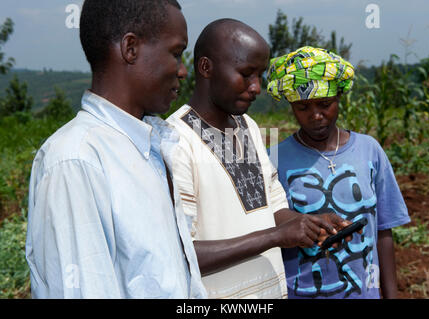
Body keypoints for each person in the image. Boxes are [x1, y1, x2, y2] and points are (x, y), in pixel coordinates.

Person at [25, 0, 207, 299]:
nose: (183, 70)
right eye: (176, 53)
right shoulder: (76, 161)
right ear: (130, 48)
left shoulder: (148, 147)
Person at [167, 19, 352, 299]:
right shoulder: (175, 140)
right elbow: (180, 254)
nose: (256, 87)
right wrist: (276, 237)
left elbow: (274, 209)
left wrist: (310, 225)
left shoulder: (249, 127)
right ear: (206, 68)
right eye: (246, 74)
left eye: (261, 75)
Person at [267, 46, 411, 299]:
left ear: (339, 98)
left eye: (325, 104)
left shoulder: (369, 150)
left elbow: (383, 231)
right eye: (303, 107)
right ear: (290, 106)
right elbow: (267, 231)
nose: (316, 116)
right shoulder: (274, 159)